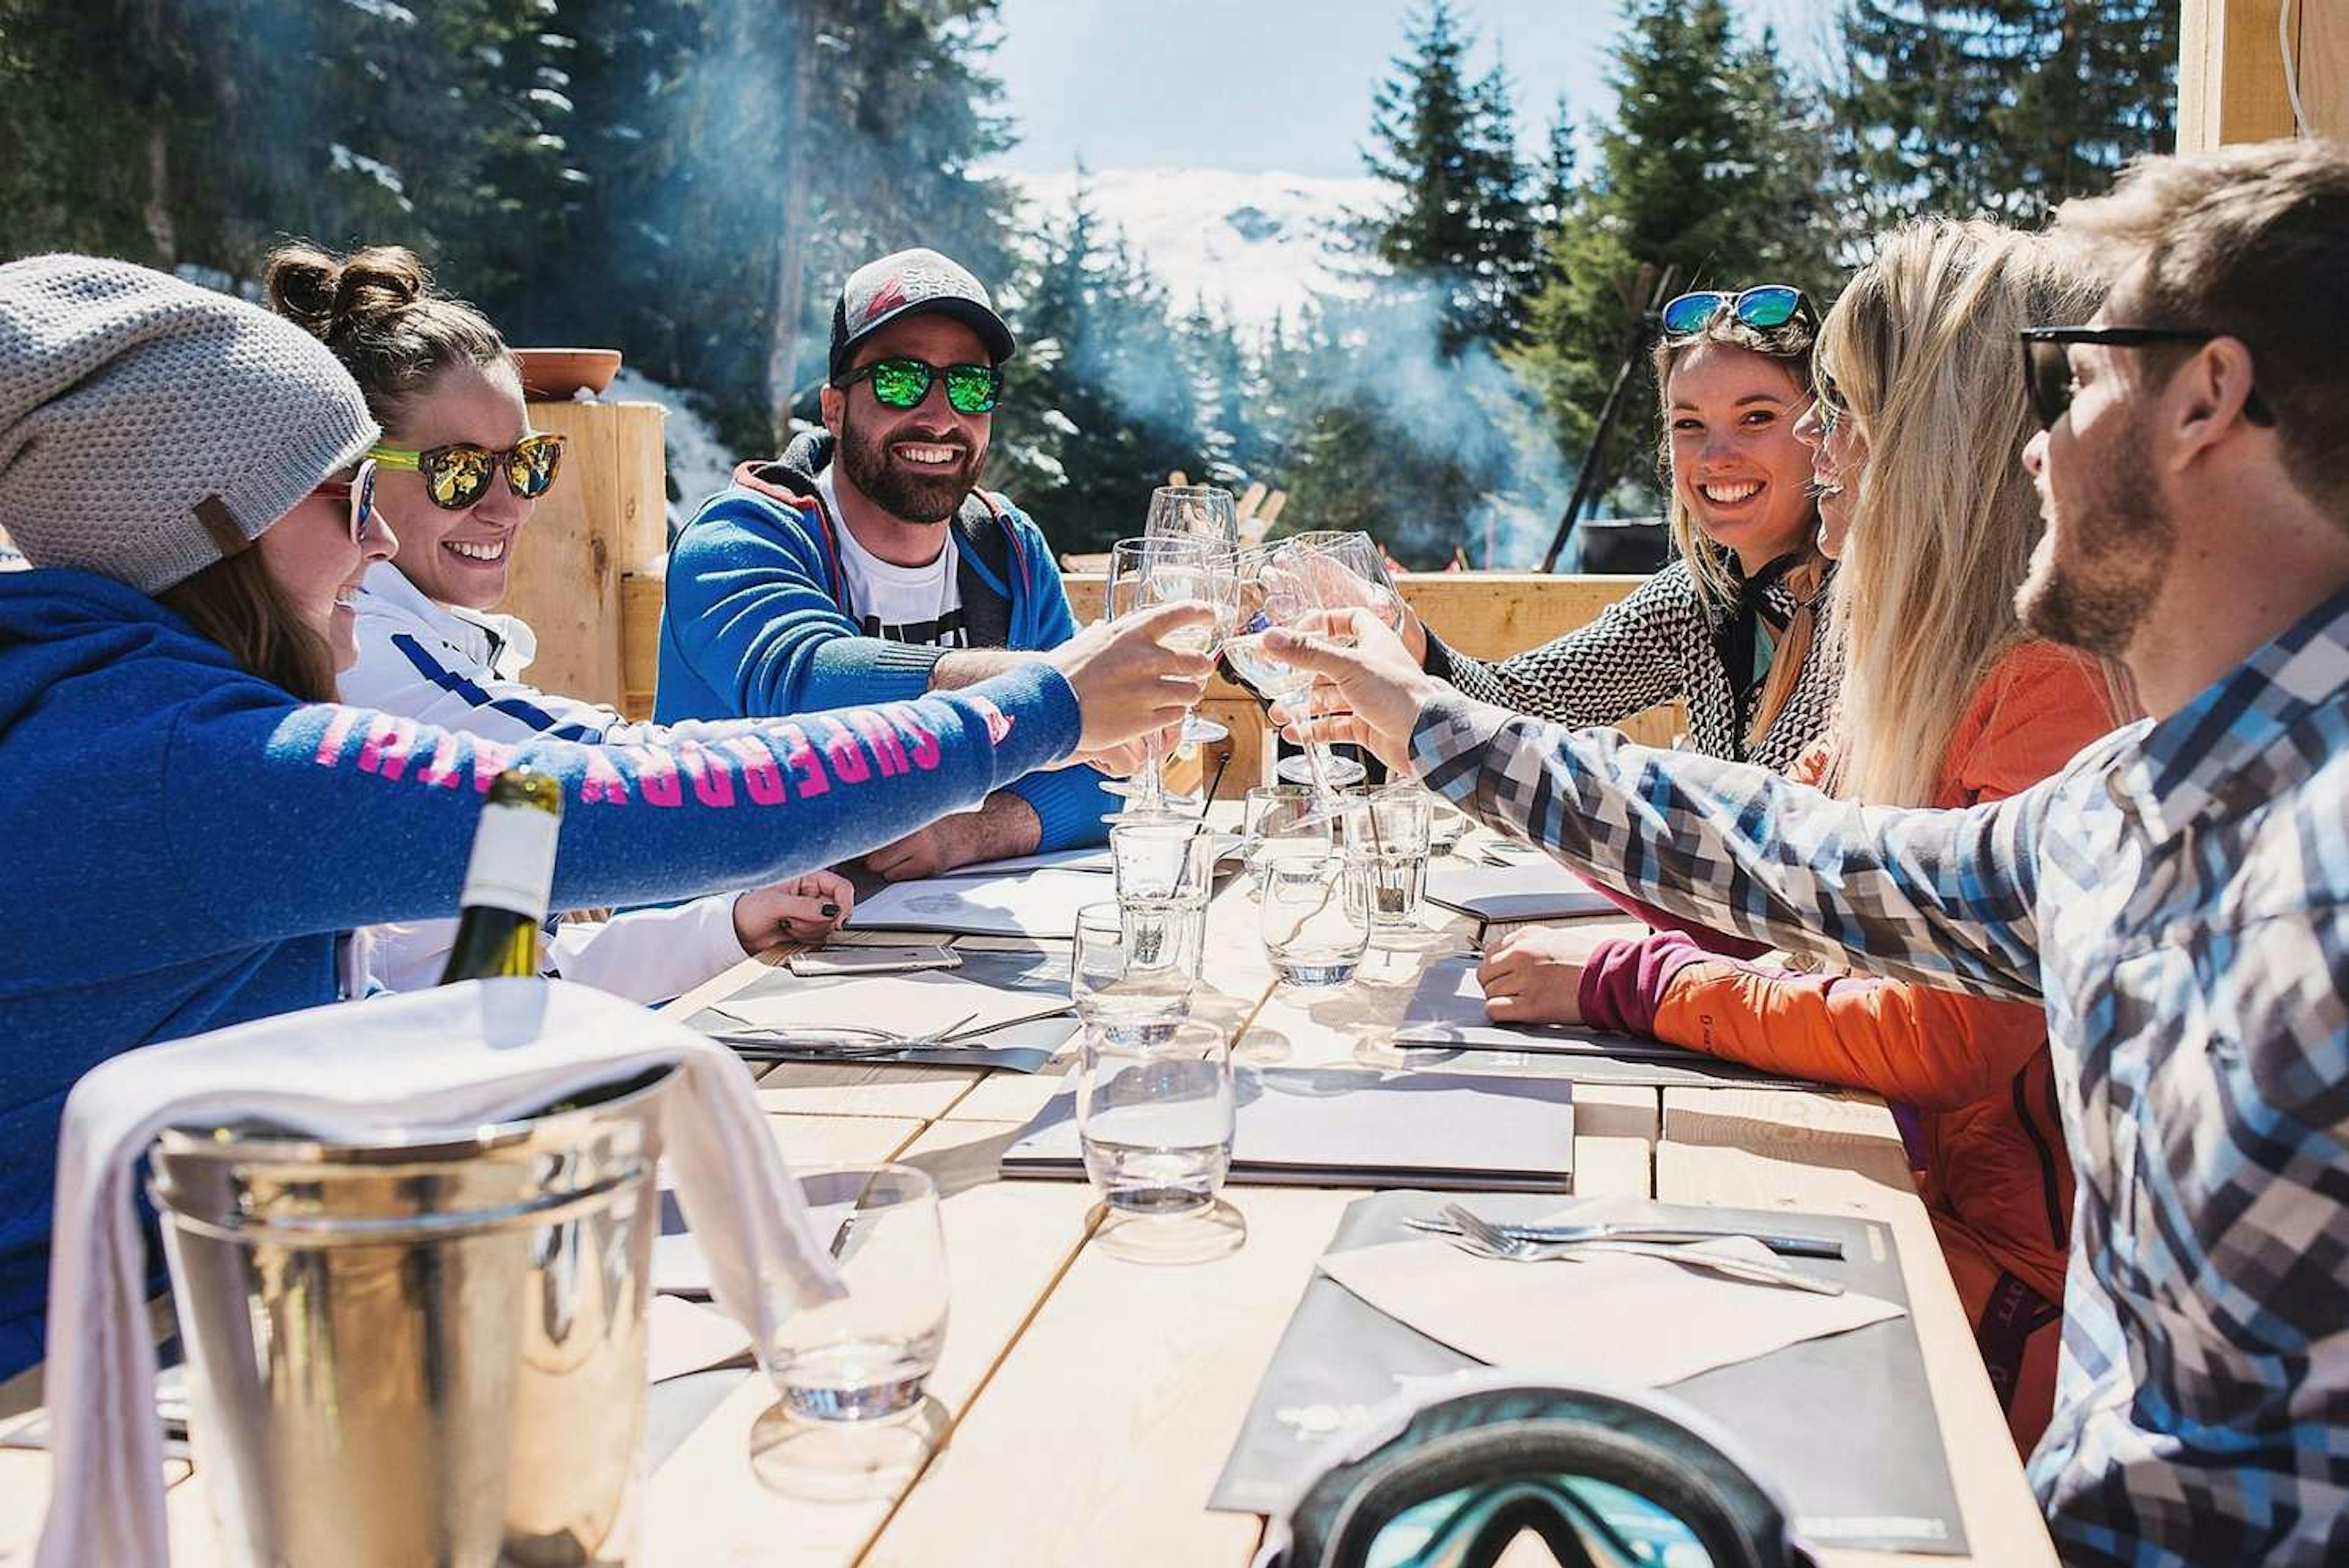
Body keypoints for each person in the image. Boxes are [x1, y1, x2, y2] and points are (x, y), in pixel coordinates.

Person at [1268, 140, 2349, 1566]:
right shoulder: (2139, 800)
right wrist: (1431, 721)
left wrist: (1610, 960)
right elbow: (1792, 850)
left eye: (2076, 382)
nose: (2035, 447)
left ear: (2203, 401)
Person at [0, 253, 1212, 1375]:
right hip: (73, 1386)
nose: (378, 537)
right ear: (207, 528)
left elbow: (369, 1017)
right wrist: (1039, 711)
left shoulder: (105, 711)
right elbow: (619, 803)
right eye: (340, 498)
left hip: (170, 1312)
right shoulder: (194, 762)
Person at [1482, 221, 2124, 1454]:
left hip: (2013, 1307)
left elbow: (1942, 1031)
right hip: (1921, 1212)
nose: (1818, 442)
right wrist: (1473, 751)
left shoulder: (2052, 682)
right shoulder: (1915, 656)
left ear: (1943, 443)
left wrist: (1626, 976)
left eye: (1842, 407)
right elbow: (1756, 853)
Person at [272, 242, 852, 999]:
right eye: (460, 470)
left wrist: (726, 926)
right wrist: (980, 728)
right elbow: (641, 776)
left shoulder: (439, 644)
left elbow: (504, 972)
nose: (507, 504)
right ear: (356, 477)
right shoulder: (368, 661)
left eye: (527, 463)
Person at [656, 247, 1126, 879]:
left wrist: (970, 833)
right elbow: (805, 683)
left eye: (970, 385)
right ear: (834, 406)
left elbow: (1108, 777)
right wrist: (1051, 690)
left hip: (924, 944)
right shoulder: (739, 539)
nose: (939, 418)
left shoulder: (1006, 548)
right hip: (715, 952)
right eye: (900, 380)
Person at [1393, 284, 1840, 773]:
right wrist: (1408, 640)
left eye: (1756, 418)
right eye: (1688, 425)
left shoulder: (1862, 606)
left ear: (1821, 430)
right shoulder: (1696, 597)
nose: (1715, 458)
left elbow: (1781, 816)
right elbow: (1527, 701)